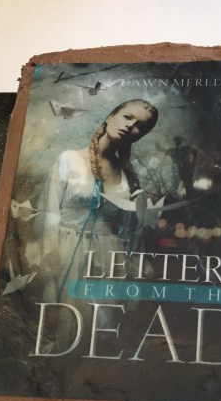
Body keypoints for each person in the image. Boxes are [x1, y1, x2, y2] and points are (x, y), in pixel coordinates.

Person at [34, 99, 159, 303]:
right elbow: (49, 213)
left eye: (140, 126)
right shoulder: (69, 159)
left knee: (102, 316)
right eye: (127, 117)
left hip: (109, 259)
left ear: (141, 135)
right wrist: (50, 257)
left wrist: (137, 267)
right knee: (65, 313)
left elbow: (131, 231)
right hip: (66, 253)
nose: (130, 126)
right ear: (110, 117)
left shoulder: (128, 177)